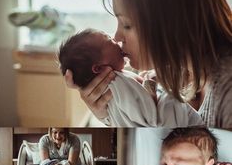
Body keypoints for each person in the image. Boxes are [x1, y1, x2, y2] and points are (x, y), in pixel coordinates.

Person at [76, 0, 232, 129]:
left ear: (170, 20)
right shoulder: (176, 76)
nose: (116, 37)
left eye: (127, 25)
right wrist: (111, 115)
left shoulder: (227, 90)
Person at [58, 29, 203, 129]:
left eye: (127, 25)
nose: (116, 38)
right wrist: (153, 89)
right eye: (109, 40)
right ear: (98, 68)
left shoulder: (117, 80)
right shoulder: (117, 82)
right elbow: (148, 114)